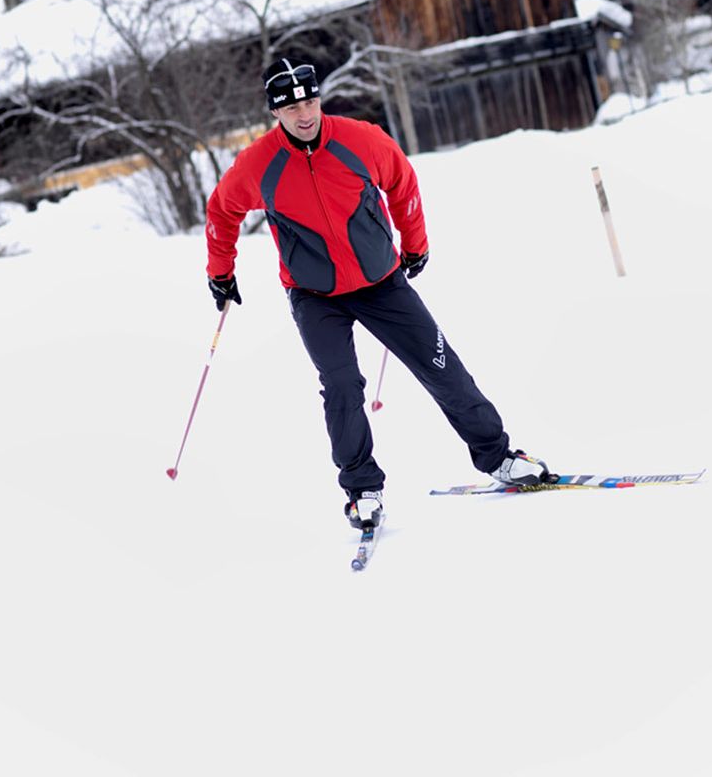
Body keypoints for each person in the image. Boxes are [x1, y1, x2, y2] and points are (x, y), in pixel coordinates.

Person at [205, 57, 550, 529]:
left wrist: (415, 244)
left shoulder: (360, 140)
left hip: (381, 281)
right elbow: (222, 211)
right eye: (291, 109)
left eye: (309, 101)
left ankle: (498, 457)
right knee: (343, 385)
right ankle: (363, 489)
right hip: (314, 294)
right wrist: (221, 272)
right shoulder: (257, 165)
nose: (304, 114)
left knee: (441, 365)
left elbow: (402, 183)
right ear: (274, 115)